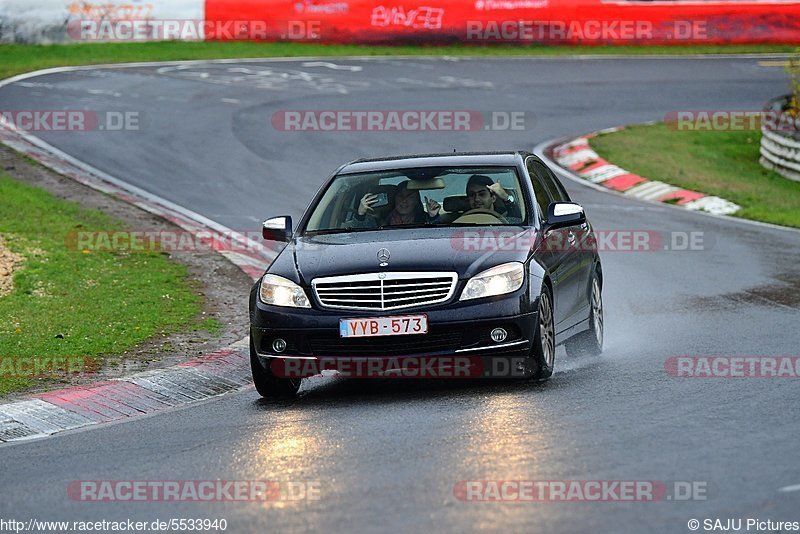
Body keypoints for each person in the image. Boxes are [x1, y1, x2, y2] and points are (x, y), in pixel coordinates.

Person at [350, 180, 440, 228]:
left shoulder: (426, 219)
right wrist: (360, 214)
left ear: (417, 201)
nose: (404, 200)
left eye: (410, 197)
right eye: (401, 195)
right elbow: (357, 236)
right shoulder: (378, 218)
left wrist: (433, 217)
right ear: (394, 198)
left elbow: (437, 236)